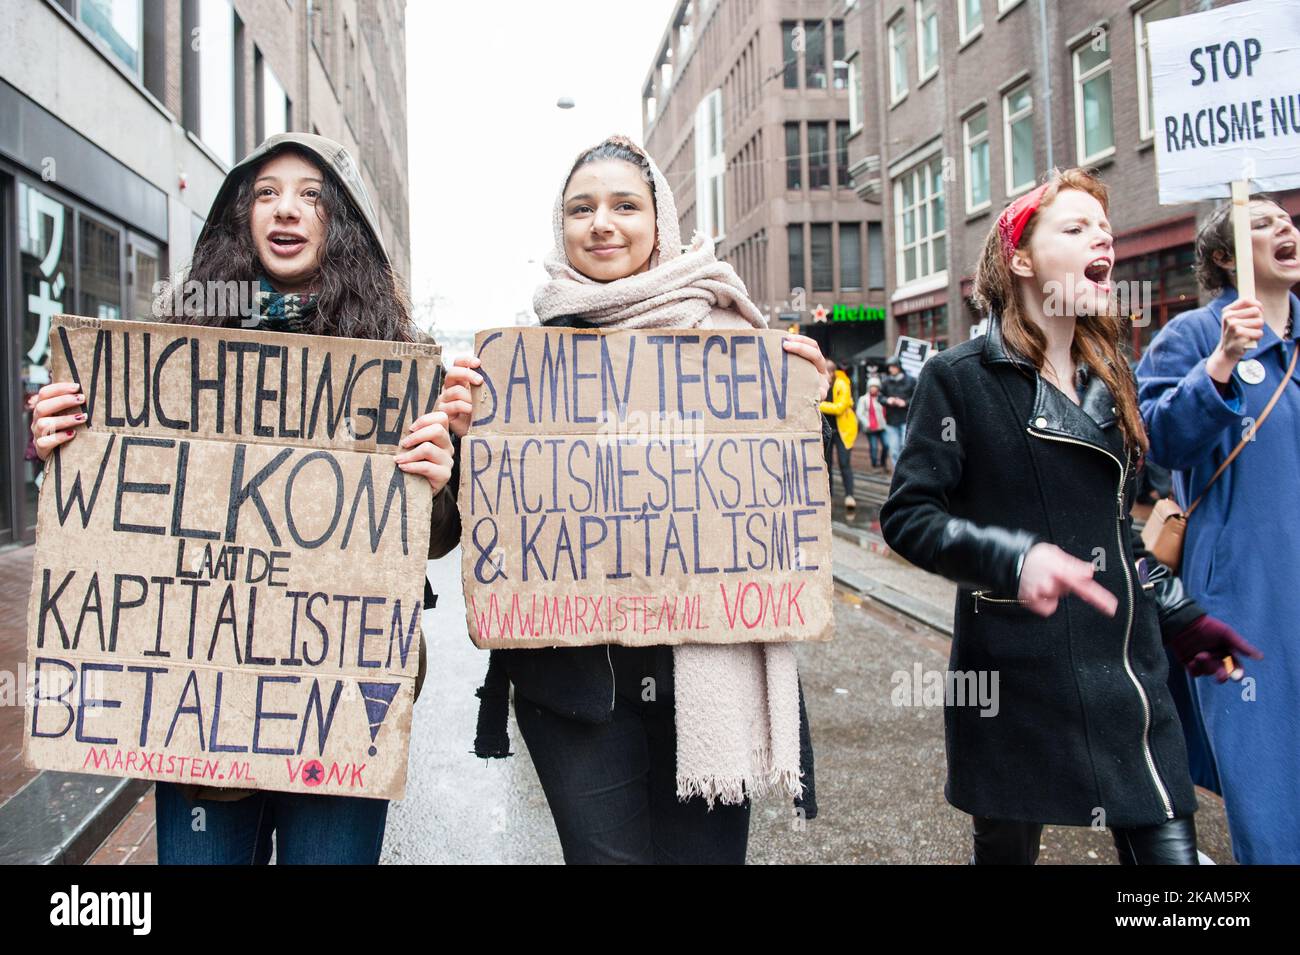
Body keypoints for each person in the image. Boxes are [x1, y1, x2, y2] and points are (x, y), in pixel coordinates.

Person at [27, 133, 461, 864]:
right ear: (240, 216)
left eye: (311, 195)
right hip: (200, 714)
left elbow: (437, 538)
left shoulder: (399, 358)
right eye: (266, 193)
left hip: (341, 709)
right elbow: (113, 512)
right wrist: (63, 446)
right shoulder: (169, 345)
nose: (286, 210)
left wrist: (439, 477)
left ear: (341, 219)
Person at [435, 135, 825, 864]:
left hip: (706, 680)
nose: (601, 223)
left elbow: (773, 503)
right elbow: (474, 528)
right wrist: (466, 442)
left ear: (660, 221)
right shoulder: (521, 363)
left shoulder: (735, 341)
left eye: (624, 205)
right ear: (562, 228)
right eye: (581, 209)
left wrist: (794, 394)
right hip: (576, 691)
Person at [880, 168, 1253, 864]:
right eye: (1075, 228)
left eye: (1104, 230)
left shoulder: (1115, 371)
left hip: (1131, 681)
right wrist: (1015, 560)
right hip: (1014, 678)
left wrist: (1179, 614)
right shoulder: (959, 377)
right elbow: (909, 516)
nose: (1101, 238)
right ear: (1020, 259)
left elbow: (1113, 529)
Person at [1136, 194, 1299, 864]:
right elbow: (1155, 444)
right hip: (1245, 593)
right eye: (1261, 223)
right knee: (1267, 775)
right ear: (1226, 259)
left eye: (1286, 219)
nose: (1285, 227)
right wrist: (1222, 365)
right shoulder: (1195, 335)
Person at [820, 357, 858, 510]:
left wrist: (820, 405)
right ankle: (829, 496)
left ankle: (850, 496)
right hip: (827, 431)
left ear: (833, 372)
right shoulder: (819, 385)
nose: (826, 375)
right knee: (826, 464)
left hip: (843, 431)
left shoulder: (842, 384)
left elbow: (839, 408)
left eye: (828, 371)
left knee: (844, 463)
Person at [879, 358, 914, 471]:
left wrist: (905, 403)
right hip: (891, 420)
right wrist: (887, 400)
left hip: (906, 419)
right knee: (894, 450)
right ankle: (898, 474)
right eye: (889, 367)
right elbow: (880, 397)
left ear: (898, 367)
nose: (891, 369)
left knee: (906, 447)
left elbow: (917, 397)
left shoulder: (911, 381)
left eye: (893, 366)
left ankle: (907, 472)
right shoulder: (885, 382)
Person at [856, 377, 888, 471]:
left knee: (886, 445)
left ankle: (883, 463)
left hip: (882, 426)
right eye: (871, 387)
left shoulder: (881, 398)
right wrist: (867, 423)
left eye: (875, 387)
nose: (873, 389)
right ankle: (875, 465)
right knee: (874, 447)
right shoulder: (863, 399)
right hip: (870, 427)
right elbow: (859, 413)